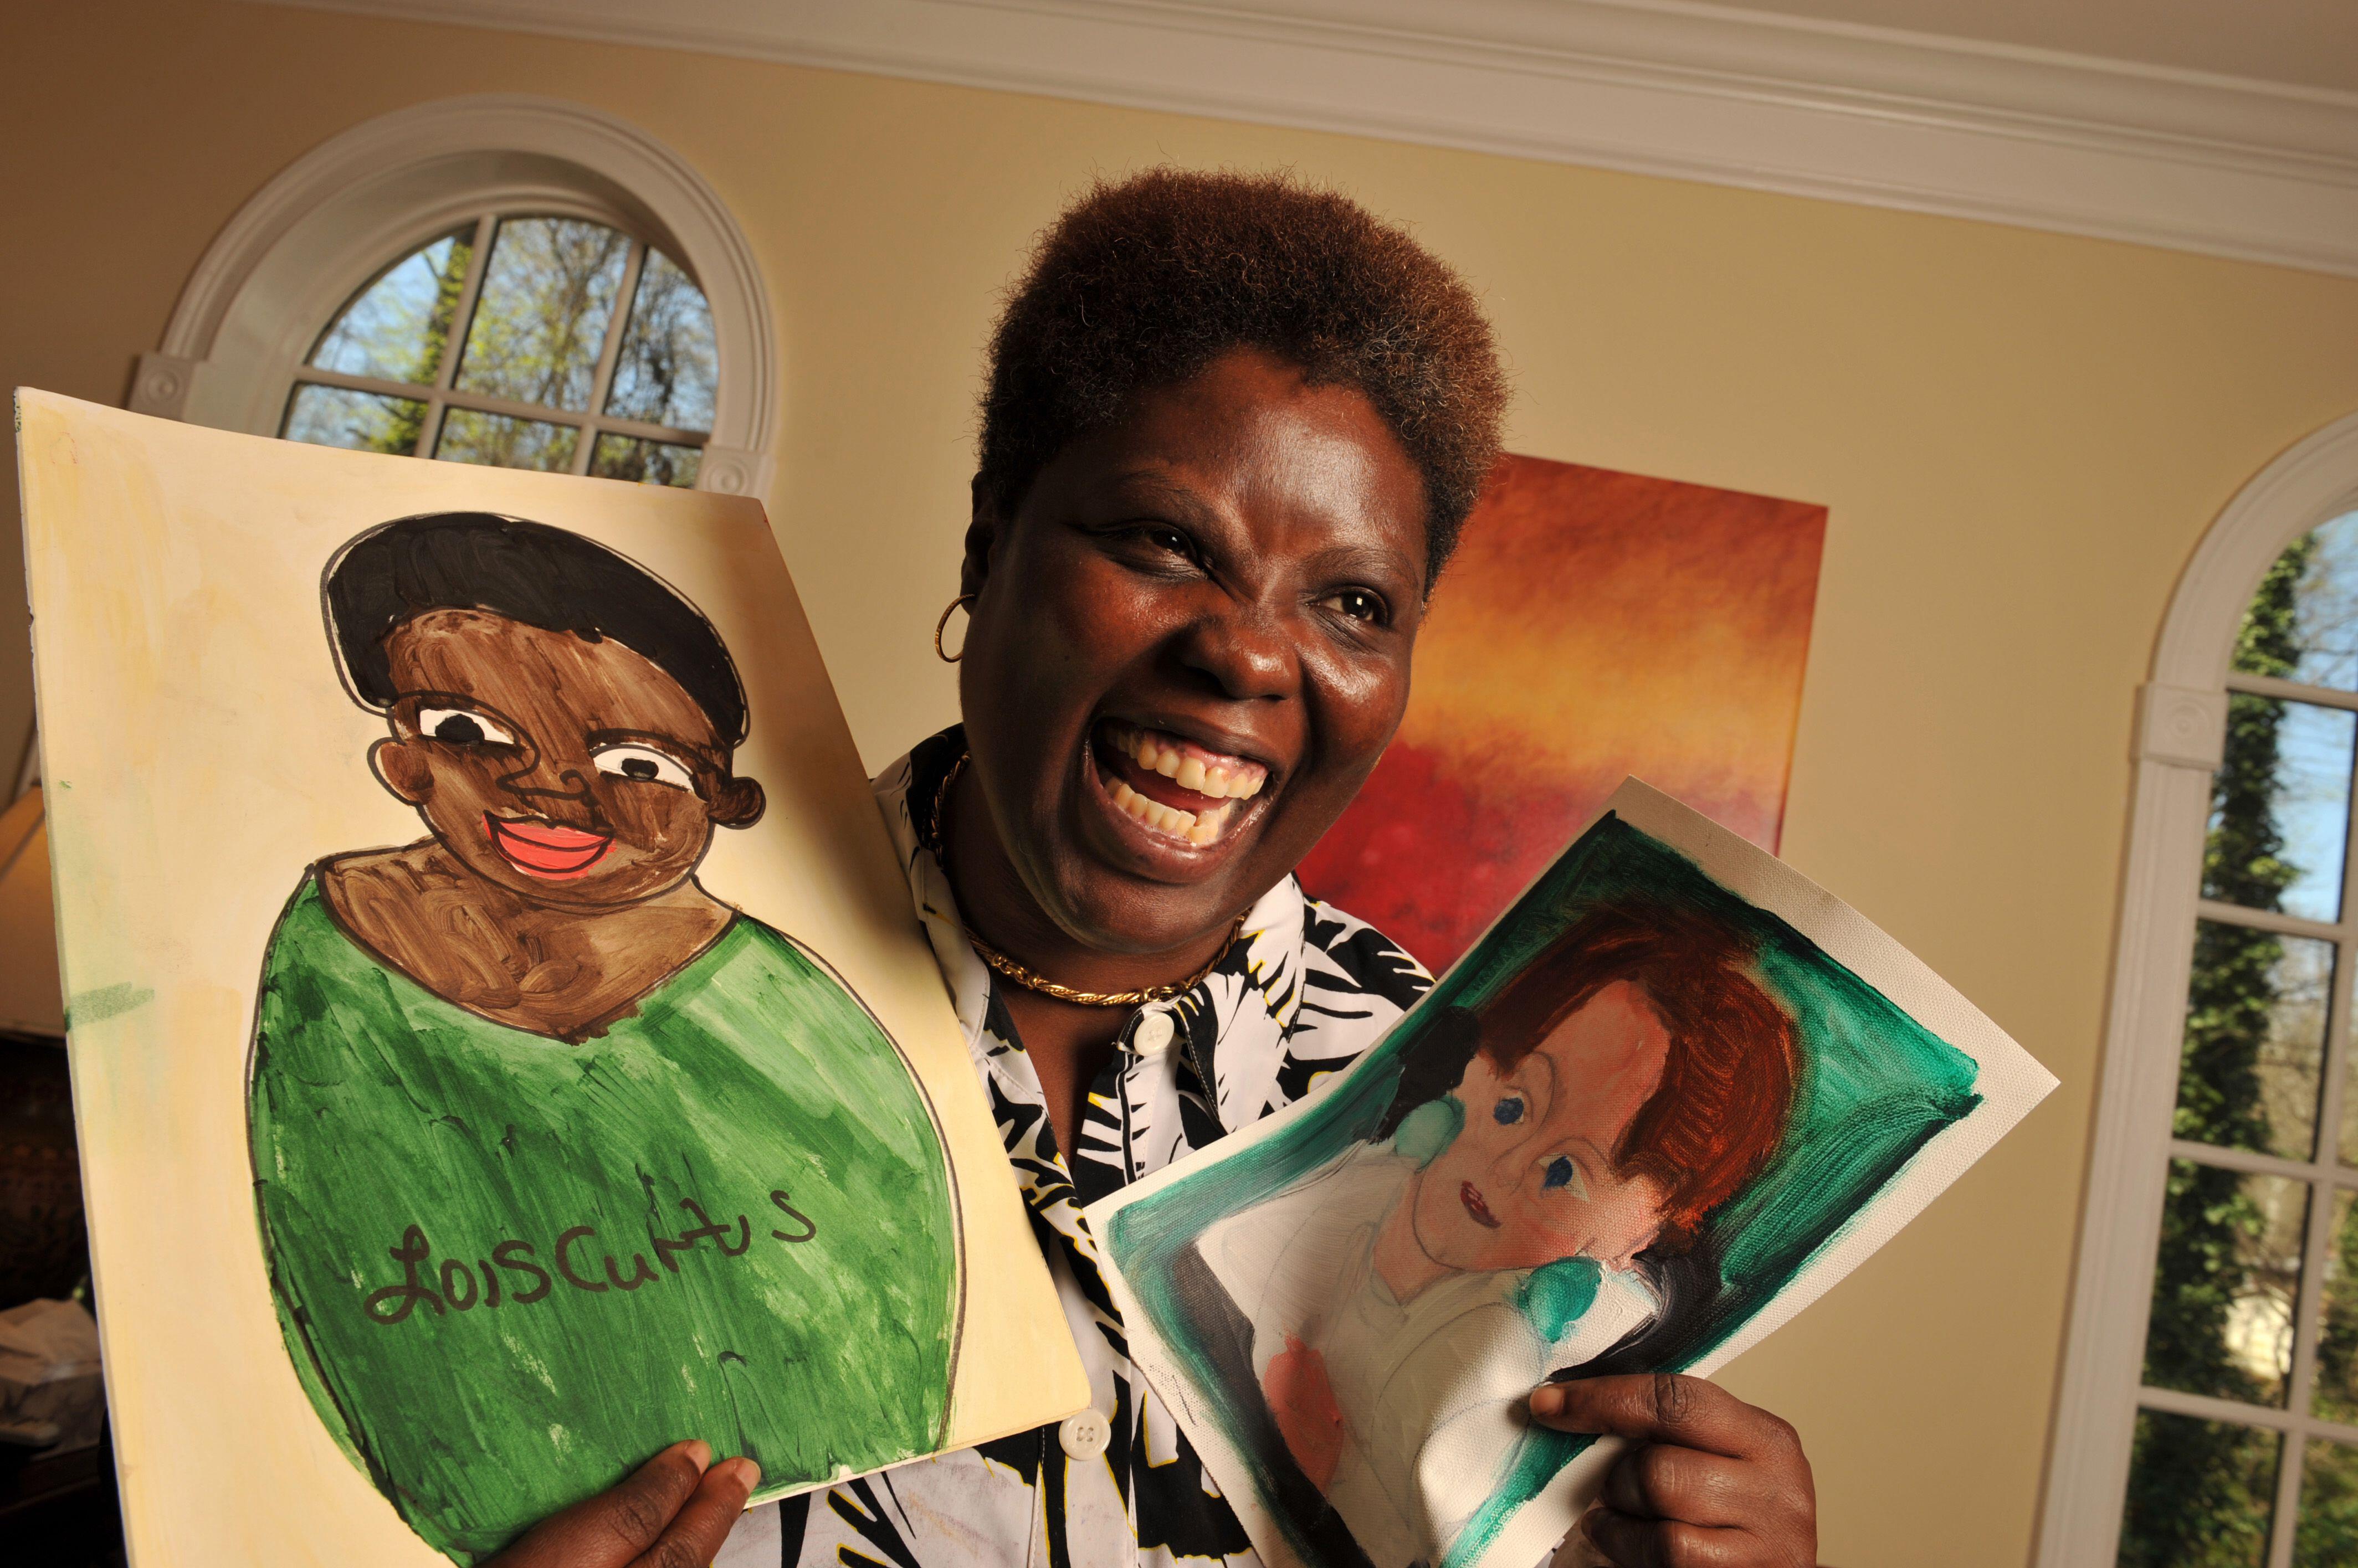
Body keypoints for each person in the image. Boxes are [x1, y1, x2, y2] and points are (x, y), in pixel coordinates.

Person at [485, 170, 1821, 1568]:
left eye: (1354, 603)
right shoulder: (605, 1006)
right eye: (1163, 541)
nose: (1248, 652)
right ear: (988, 542)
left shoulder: (1429, 1068)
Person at [248, 514, 958, 1562]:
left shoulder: (789, 1013)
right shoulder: (330, 962)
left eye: (637, 758)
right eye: (469, 732)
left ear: (724, 796)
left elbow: (882, 1337)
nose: (550, 789)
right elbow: (333, 1298)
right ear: (401, 760)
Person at [1193, 902, 1798, 1568]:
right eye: (1514, 1109)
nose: (1502, 1171)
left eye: (1563, 1175)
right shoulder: (1350, 1178)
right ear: (1478, 1067)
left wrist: (1315, 1469)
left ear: (1639, 1239)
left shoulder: (1521, 1361)